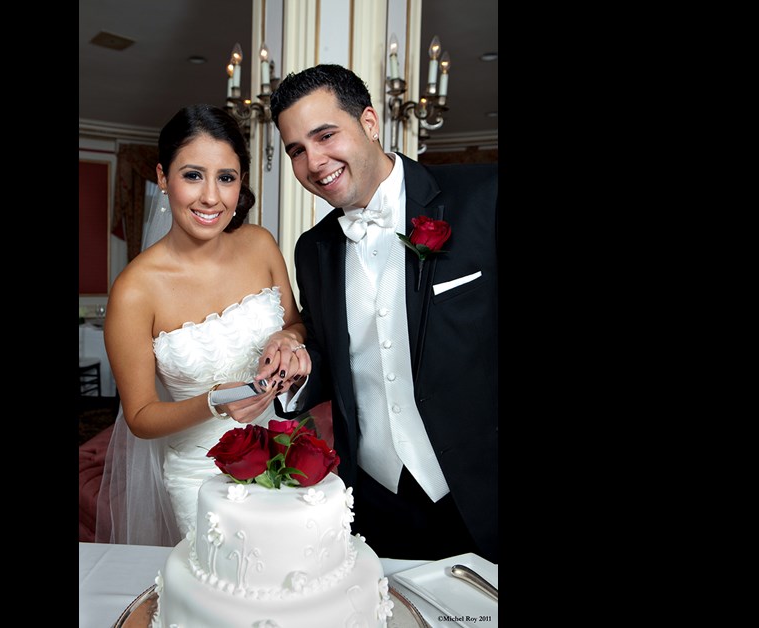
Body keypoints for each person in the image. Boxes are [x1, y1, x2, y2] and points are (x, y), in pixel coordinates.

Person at [269, 64, 498, 563]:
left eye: (325, 135)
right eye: (296, 151)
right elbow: (333, 357)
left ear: (369, 122)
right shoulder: (312, 249)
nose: (314, 162)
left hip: (483, 493)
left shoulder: (482, 197)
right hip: (375, 500)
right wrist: (295, 369)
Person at [95, 104, 311, 545]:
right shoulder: (135, 290)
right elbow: (139, 417)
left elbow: (296, 324)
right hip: (200, 475)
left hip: (282, 449)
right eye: (193, 175)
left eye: (226, 178)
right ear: (162, 177)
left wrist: (289, 338)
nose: (211, 197)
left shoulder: (260, 245)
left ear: (240, 183)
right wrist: (216, 401)